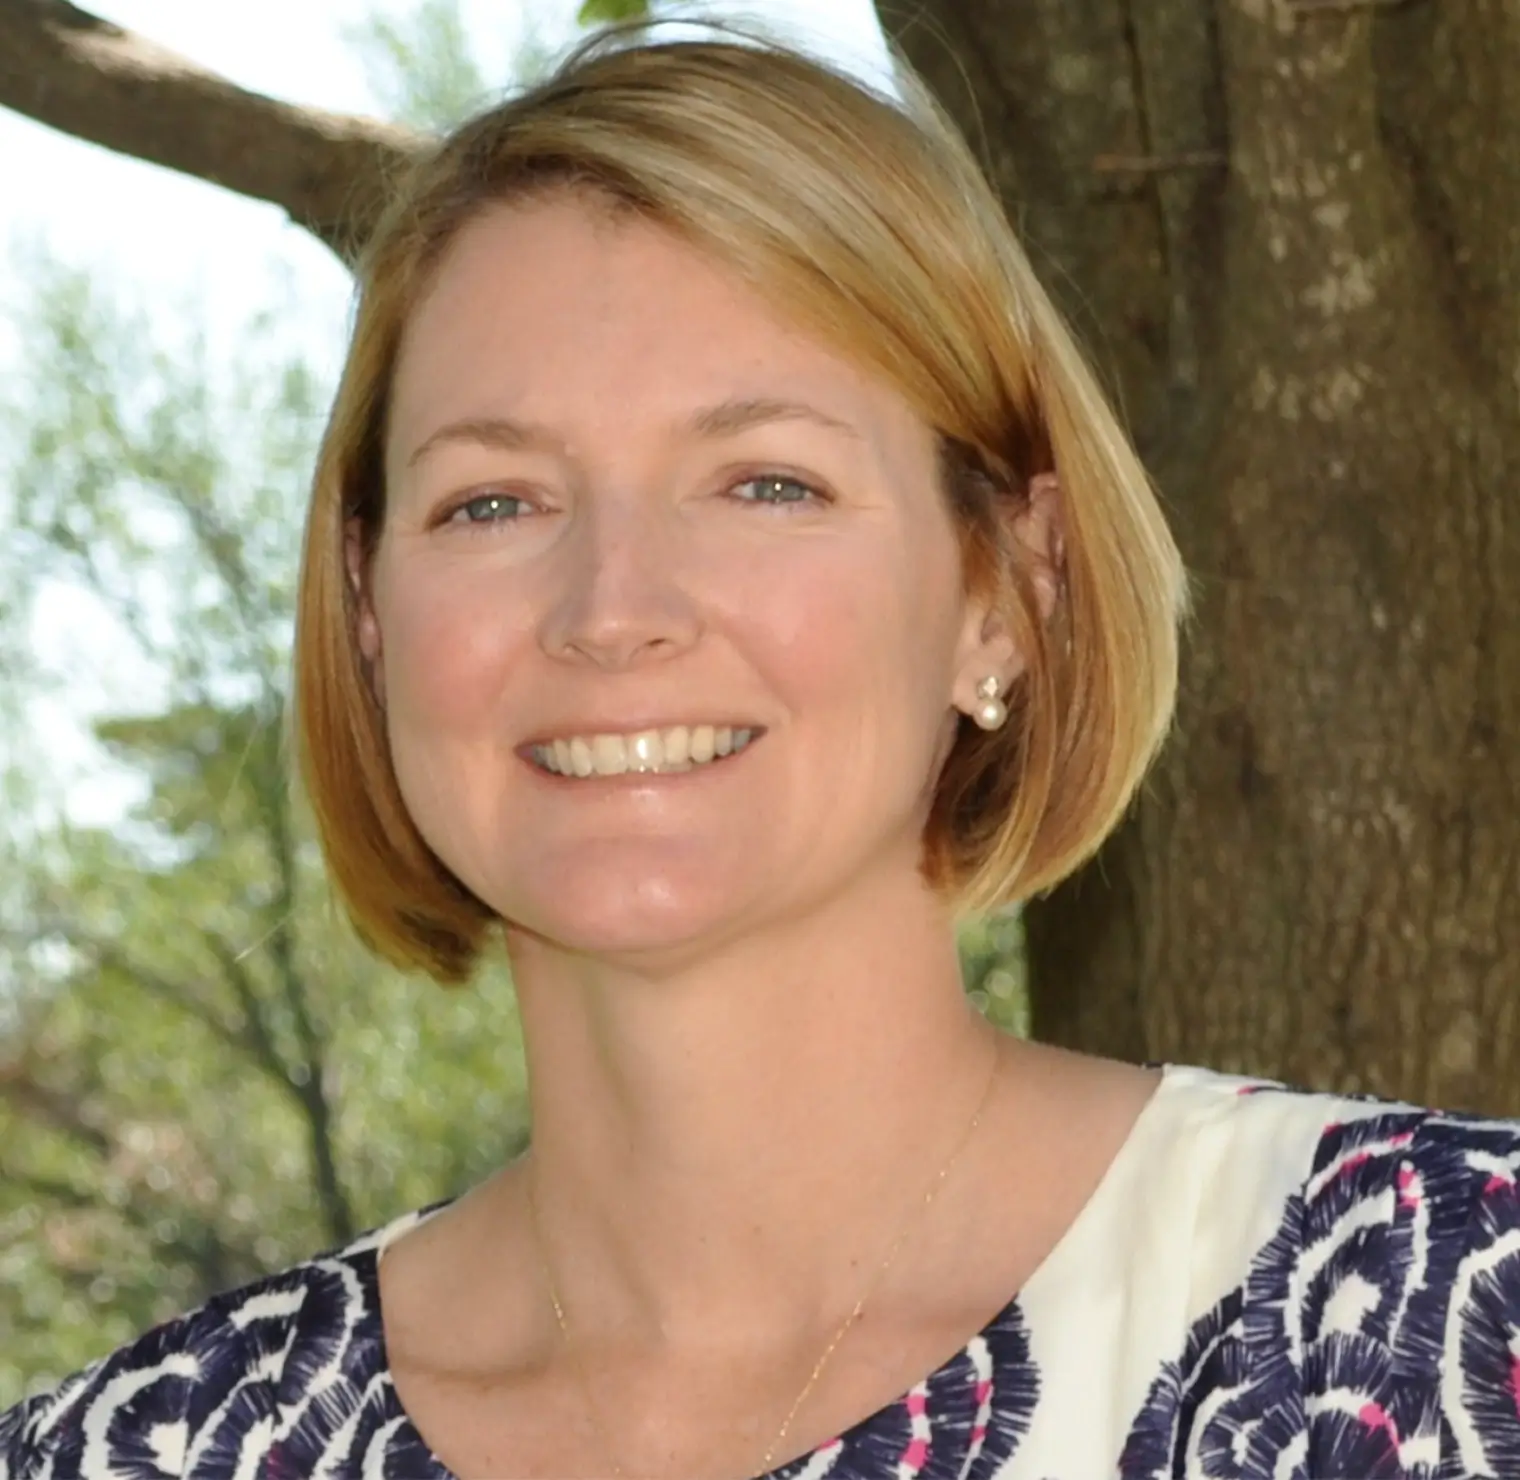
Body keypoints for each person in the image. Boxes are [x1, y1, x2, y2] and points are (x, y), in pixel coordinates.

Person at [5, 16, 1520, 1480]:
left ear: (1007, 592)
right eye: (493, 501)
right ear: (367, 610)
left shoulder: (1439, 1315)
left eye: (765, 483)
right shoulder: (137, 1450)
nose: (612, 609)